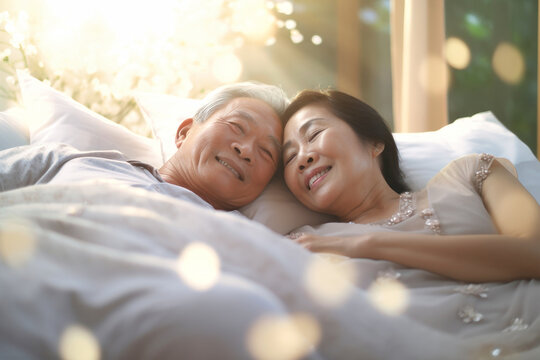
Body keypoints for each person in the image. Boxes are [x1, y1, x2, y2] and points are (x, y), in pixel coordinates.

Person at [281, 89, 540, 282]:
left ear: (374, 142)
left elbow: (534, 251)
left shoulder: (471, 174)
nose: (303, 158)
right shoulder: (304, 242)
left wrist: (372, 245)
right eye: (290, 157)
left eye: (314, 134)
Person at [0, 81, 288, 210]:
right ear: (185, 132)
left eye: (266, 152)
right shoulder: (68, 161)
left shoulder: (241, 241)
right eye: (236, 127)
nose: (247, 150)